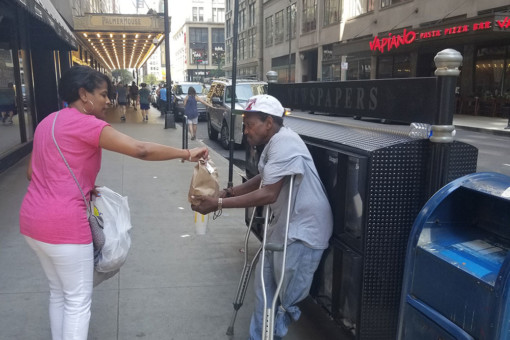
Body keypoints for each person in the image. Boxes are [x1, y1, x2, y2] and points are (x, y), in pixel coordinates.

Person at [19, 65, 208, 340]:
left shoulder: (47, 122)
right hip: (65, 226)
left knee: (59, 293)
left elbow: (30, 173)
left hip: (32, 223)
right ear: (84, 95)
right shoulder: (87, 124)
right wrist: (187, 152)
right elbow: (140, 149)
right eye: (104, 94)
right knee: (77, 302)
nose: (109, 100)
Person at [191, 94, 333, 340]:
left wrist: (219, 203)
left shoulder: (285, 143)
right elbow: (264, 178)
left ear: (269, 122)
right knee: (264, 289)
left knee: (285, 302)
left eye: (249, 124)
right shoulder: (273, 144)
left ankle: (271, 335)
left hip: (305, 232)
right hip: (285, 226)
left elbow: (268, 193)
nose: (245, 130)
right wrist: (229, 191)